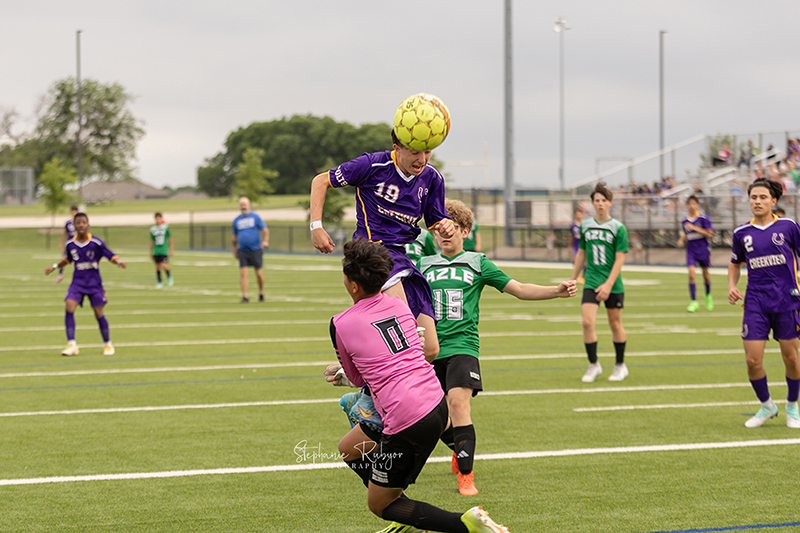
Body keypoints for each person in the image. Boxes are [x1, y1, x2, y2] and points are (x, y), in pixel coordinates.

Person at [329, 239, 510, 533]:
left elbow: (359, 378)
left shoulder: (340, 322)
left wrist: (341, 373)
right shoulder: (399, 305)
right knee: (350, 449)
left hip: (405, 417)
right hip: (434, 403)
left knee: (380, 505)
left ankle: (467, 525)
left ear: (352, 285)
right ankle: (406, 514)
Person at [420, 199, 576, 496]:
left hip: (463, 345)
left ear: (465, 231)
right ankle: (458, 447)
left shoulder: (479, 262)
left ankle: (466, 475)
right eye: (439, 227)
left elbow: (518, 289)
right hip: (429, 349)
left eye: (451, 226)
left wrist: (555, 292)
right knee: (433, 416)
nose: (444, 232)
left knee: (458, 403)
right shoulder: (423, 265)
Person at [309, 125, 456, 359]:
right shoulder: (372, 165)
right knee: (403, 329)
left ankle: (365, 380)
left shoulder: (432, 178)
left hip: (401, 258)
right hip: (370, 252)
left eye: (427, 152)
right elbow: (320, 181)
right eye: (415, 152)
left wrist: (444, 225)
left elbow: (436, 220)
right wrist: (316, 226)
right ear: (396, 147)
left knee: (429, 349)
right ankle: (370, 382)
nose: (422, 159)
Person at [728, 178, 800, 428]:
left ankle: (792, 405)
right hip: (756, 302)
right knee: (752, 360)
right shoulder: (741, 233)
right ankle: (767, 406)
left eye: (762, 197)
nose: (757, 201)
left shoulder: (789, 227)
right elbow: (735, 264)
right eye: (753, 197)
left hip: (787, 301)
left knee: (791, 357)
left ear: (773, 201)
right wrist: (732, 285)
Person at [570, 182, 629, 383]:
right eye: (597, 200)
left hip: (612, 283)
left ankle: (620, 365)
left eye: (604, 200)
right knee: (587, 322)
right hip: (592, 280)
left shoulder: (618, 228)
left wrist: (609, 285)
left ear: (610, 203)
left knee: (615, 323)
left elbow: (620, 258)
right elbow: (582, 253)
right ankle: (593, 364)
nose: (600, 203)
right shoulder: (585, 225)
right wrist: (572, 278)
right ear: (592, 203)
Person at [44, 212, 126, 356]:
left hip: (94, 283)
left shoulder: (96, 242)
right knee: (69, 306)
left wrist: (117, 262)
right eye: (78, 223)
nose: (81, 225)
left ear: (88, 225)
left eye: (83, 222)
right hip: (78, 282)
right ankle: (71, 344)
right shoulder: (70, 244)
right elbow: (68, 259)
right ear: (74, 226)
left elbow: (108, 254)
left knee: (98, 312)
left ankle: (108, 344)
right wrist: (55, 267)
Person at [677, 195, 714, 313]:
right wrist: (682, 239)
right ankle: (694, 301)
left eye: (694, 204)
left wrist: (695, 228)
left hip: (703, 249)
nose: (692, 206)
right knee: (691, 274)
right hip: (691, 249)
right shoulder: (684, 221)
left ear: (697, 205)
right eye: (689, 204)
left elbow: (709, 234)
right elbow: (686, 233)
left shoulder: (703, 218)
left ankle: (708, 296)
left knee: (706, 274)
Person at [232, 197, 269, 303]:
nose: (243, 207)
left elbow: (265, 230)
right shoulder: (236, 220)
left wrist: (266, 240)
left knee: (258, 273)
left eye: (245, 205)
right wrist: (234, 249)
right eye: (241, 205)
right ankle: (245, 296)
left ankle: (261, 292)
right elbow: (234, 236)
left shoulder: (255, 217)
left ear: (248, 205)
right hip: (242, 250)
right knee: (243, 273)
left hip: (255, 249)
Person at [55, 205, 79, 283]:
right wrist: (61, 243)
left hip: (78, 243)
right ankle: (60, 275)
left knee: (80, 259)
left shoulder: (80, 222)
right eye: (73, 211)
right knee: (64, 258)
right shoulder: (68, 222)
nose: (74, 212)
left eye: (75, 211)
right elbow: (64, 233)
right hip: (69, 244)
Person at [149, 212, 174, 288]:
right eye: (156, 218)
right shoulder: (152, 229)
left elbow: (169, 238)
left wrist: (171, 249)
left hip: (163, 249)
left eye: (159, 218)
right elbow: (152, 240)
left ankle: (169, 277)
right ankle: (160, 282)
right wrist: (150, 251)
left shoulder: (165, 227)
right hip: (156, 250)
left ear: (161, 219)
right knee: (157, 267)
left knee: (164, 265)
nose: (157, 220)